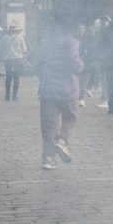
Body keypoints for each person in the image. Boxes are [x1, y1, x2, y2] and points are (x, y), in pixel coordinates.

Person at [38, 17, 82, 168]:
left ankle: (48, 158)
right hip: (68, 89)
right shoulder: (71, 42)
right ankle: (62, 140)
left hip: (48, 89)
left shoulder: (45, 43)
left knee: (48, 124)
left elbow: (37, 63)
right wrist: (81, 66)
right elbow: (75, 64)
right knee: (70, 117)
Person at [1, 22, 29, 101]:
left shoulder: (4, 38)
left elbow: (1, 50)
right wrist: (25, 60)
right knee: (16, 78)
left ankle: (7, 95)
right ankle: (14, 95)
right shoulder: (20, 38)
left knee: (8, 77)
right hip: (18, 59)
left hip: (8, 60)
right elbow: (24, 50)